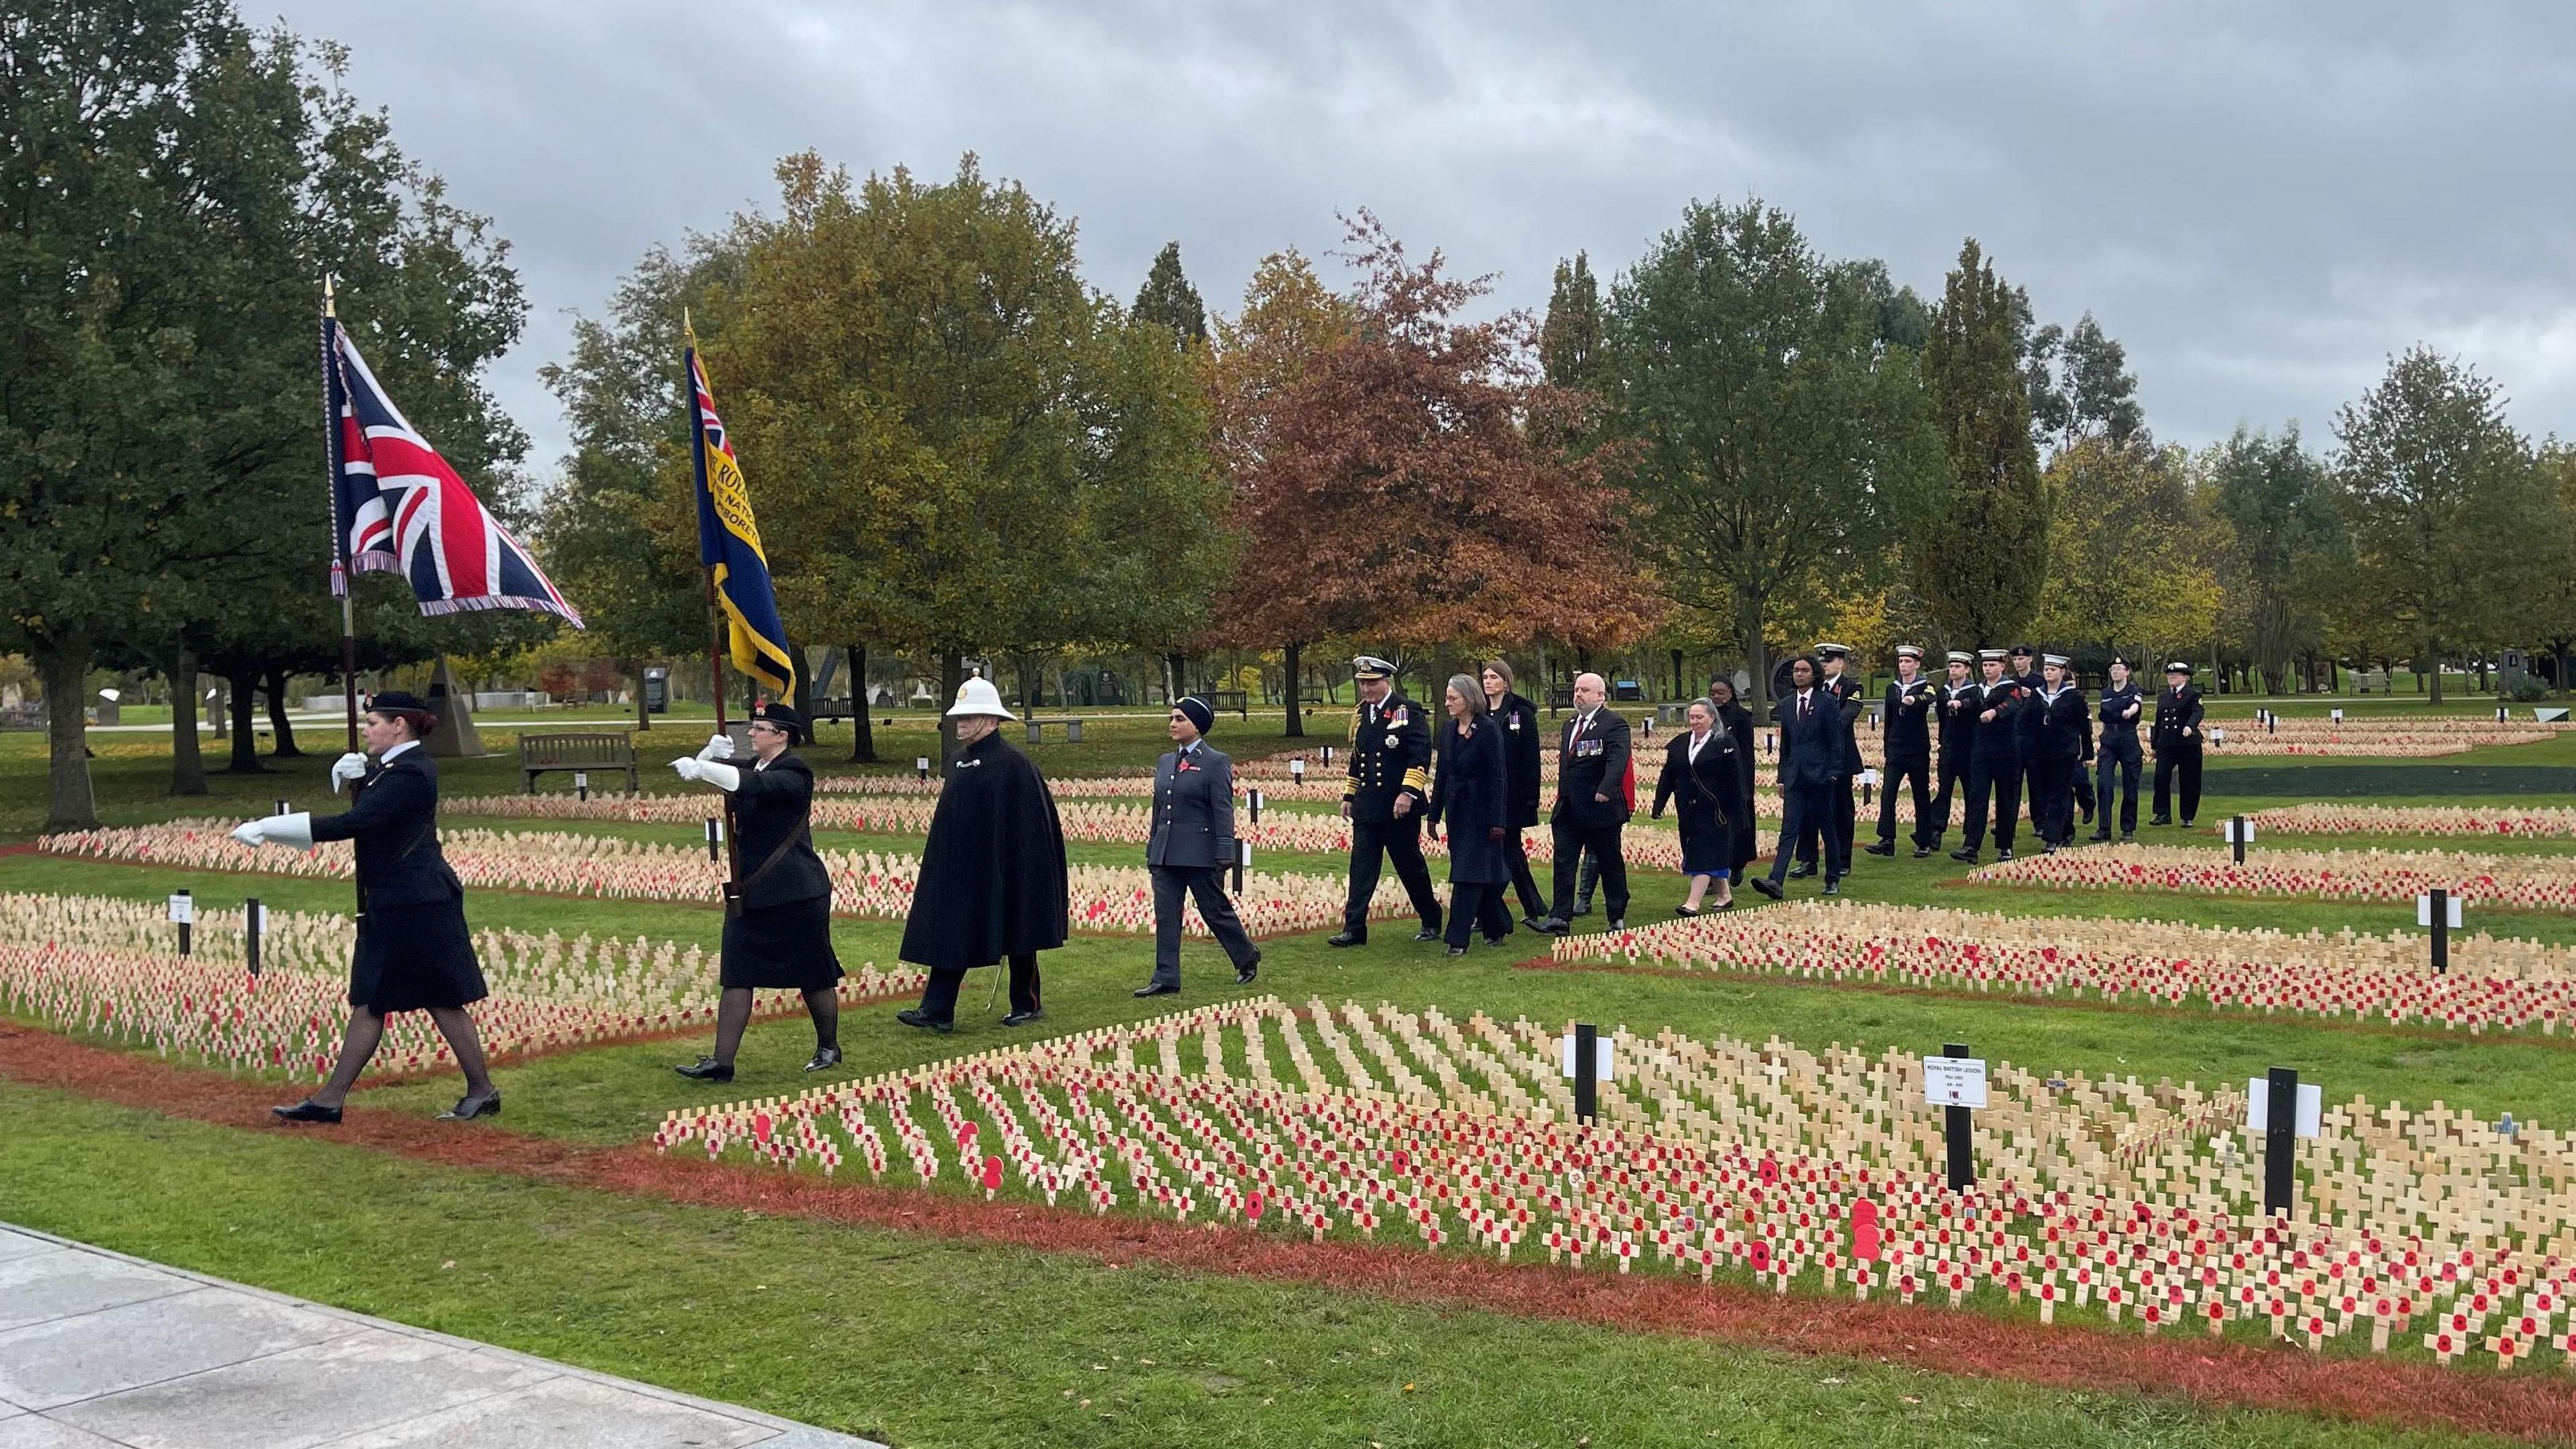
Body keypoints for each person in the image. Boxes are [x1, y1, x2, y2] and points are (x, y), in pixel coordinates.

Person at [232, 692, 498, 1124]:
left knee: (431, 997)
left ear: (399, 725)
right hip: (398, 898)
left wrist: (270, 828)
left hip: (418, 901)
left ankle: (479, 1090)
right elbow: (374, 805)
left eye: (373, 722)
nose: (367, 729)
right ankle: (331, 1099)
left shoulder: (411, 773)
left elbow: (356, 823)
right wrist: (362, 774)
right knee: (376, 996)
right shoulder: (396, 768)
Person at [669, 701, 842, 1082]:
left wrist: (704, 767)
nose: (751, 734)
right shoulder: (753, 765)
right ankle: (722, 1062)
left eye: (759, 729)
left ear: (782, 735)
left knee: (813, 973)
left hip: (796, 891)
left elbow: (755, 787)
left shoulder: (795, 771)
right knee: (738, 972)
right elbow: (725, 777)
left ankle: (828, 1046)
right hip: (754, 892)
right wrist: (707, 756)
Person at [897, 678, 1070, 1032]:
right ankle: (937, 1010)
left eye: (970, 716)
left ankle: (1027, 1002)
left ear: (991, 721)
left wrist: (1017, 867)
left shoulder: (1013, 765)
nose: (961, 723)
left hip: (1004, 864)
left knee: (1018, 928)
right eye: (959, 717)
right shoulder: (958, 762)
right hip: (961, 867)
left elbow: (1028, 825)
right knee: (951, 931)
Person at [1134, 696, 1260, 998]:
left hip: (1199, 853)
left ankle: (1246, 956)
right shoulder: (1165, 761)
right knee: (1166, 915)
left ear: (1197, 725)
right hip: (1165, 852)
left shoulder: (1215, 762)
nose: (1173, 724)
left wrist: (1225, 850)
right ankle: (1166, 977)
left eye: (1180, 719)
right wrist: (1153, 846)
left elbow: (1222, 809)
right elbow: (1159, 808)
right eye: (1172, 718)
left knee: (1214, 910)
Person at [1329, 656, 1443, 947]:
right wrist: (1349, 795)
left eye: (1372, 683)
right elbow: (1359, 758)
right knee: (1361, 868)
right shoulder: (1361, 715)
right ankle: (1354, 928)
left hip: (1398, 808)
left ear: (1386, 681)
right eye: (1363, 684)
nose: (1366, 690)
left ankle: (1431, 918)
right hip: (1369, 807)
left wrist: (1408, 793)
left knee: (1410, 866)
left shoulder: (1407, 711)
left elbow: (1419, 757)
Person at [1425, 676, 1514, 954]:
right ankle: (1498, 925)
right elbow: (1442, 775)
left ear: (1469, 698)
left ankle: (1457, 939)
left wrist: (1498, 821)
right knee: (1478, 876)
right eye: (1447, 698)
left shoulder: (1488, 729)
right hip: (1457, 813)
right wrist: (1433, 814)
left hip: (1482, 814)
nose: (1448, 703)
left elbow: (1498, 777)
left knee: (1466, 876)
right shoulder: (1450, 729)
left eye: (1453, 698)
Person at [1538, 672, 1632, 932]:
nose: (1578, 695)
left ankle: (1616, 915)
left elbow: (1617, 759)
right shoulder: (1570, 724)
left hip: (1600, 808)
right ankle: (1560, 917)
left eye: (1585, 691)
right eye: (1577, 690)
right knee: (1564, 861)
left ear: (1601, 696)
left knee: (1609, 861)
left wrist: (1606, 788)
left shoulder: (1614, 724)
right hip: (1569, 808)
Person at [1752, 655, 1849, 898]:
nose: (1799, 674)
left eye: (1805, 670)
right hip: (1795, 776)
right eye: (1796, 670)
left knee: (1827, 828)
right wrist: (1782, 777)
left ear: (1814, 674)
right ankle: (1776, 880)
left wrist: (1834, 774)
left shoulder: (1827, 702)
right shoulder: (1786, 705)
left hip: (1821, 777)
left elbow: (1836, 742)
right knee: (1789, 828)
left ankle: (1833, 878)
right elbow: (1787, 745)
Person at [1653, 698, 1744, 914]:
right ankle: (1725, 895)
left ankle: (1693, 903)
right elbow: (1668, 776)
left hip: (1716, 812)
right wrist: (1659, 804)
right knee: (1702, 852)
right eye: (1692, 717)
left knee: (1703, 856)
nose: (1694, 722)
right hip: (1688, 810)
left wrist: (1738, 812)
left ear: (1712, 718)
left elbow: (1736, 779)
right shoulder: (1680, 744)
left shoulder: (1726, 744)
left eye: (1699, 717)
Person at [1481, 660, 1548, 930]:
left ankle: (1486, 907)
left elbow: (1531, 759)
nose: (1488, 682)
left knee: (1507, 850)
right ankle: (1533, 905)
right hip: (1487, 795)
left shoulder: (1520, 714)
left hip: (1514, 795)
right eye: (1485, 677)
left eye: (1494, 677)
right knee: (1511, 853)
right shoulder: (1481, 712)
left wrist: (1531, 797)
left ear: (1506, 682)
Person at [1791, 643, 1867, 878]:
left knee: (1841, 810)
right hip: (1812, 760)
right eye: (1822, 661)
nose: (1824, 664)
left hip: (1838, 759)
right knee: (1808, 811)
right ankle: (1807, 860)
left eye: (1829, 661)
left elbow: (1848, 714)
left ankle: (1843, 859)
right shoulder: (1810, 688)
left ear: (1841, 663)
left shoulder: (1852, 687)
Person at [1951, 650, 2029, 863]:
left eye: (1992, 665)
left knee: (2006, 798)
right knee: (1977, 797)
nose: (1988, 669)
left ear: (2002, 667)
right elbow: (1970, 702)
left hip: (2006, 751)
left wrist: (1994, 712)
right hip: (1981, 751)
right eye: (1985, 666)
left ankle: (2005, 846)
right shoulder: (1979, 690)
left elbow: (2012, 704)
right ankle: (1971, 846)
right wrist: (1960, 704)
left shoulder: (2011, 687)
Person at [1866, 645, 1935, 858]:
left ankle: (1924, 840)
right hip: (1896, 748)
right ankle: (1887, 839)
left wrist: (1914, 700)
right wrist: (1887, 746)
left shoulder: (1926, 685)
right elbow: (1890, 718)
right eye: (1901, 662)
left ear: (1916, 664)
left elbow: (1930, 698)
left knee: (1921, 795)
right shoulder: (1892, 688)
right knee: (1888, 794)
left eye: (1908, 662)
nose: (1903, 665)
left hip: (1917, 749)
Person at [2027, 655, 2089, 851]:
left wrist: (2086, 752)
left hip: (2065, 752)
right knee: (2046, 794)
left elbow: (2083, 726)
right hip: (2041, 751)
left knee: (2058, 793)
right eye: (2046, 669)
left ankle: (2051, 839)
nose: (2049, 672)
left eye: (2053, 669)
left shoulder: (2073, 696)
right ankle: (2066, 830)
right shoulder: (2037, 695)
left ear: (2062, 672)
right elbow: (2025, 721)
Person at [1923, 650, 1978, 857]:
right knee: (1943, 791)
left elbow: (1974, 711)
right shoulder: (1943, 692)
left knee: (1971, 794)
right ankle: (1936, 831)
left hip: (1969, 749)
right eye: (1952, 666)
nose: (1954, 670)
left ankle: (1970, 836)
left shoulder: (1973, 691)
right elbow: (1942, 720)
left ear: (1966, 670)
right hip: (1949, 748)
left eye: (1958, 667)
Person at [1705, 677, 1760, 881]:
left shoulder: (1741, 717)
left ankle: (1737, 864)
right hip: (1712, 781)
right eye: (1713, 693)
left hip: (1735, 778)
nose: (1717, 697)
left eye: (1721, 692)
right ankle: (1713, 874)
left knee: (1738, 826)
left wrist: (1746, 788)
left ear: (1731, 692)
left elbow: (1747, 755)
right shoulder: (1707, 716)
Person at [2091, 655, 2146, 842]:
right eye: (2112, 669)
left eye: (2119, 669)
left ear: (2127, 672)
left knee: (2131, 784)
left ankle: (2128, 828)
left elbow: (2136, 705)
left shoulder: (2133, 690)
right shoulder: (2106, 692)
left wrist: (2130, 712)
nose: (2115, 672)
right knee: (2104, 783)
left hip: (2128, 738)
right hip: (2109, 740)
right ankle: (2104, 828)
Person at [2150, 661, 2206, 827]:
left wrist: (2190, 726)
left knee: (2189, 780)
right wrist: (2155, 744)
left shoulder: (2193, 695)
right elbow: (2159, 721)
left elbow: (2198, 712)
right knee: (2161, 778)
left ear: (2185, 677)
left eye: (2175, 675)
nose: (2171, 677)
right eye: (2169, 675)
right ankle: (2162, 813)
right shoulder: (2164, 696)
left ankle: (2187, 816)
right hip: (2167, 743)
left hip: (2187, 744)